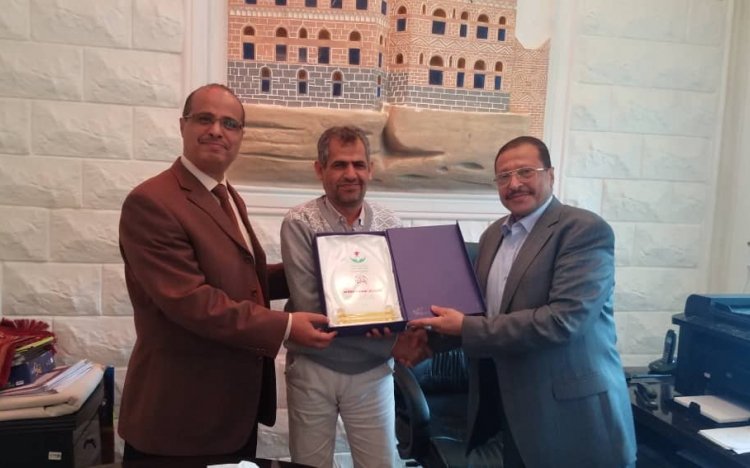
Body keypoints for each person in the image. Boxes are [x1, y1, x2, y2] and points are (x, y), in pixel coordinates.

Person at [117, 83, 336, 460]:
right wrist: (285, 326)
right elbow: (192, 302)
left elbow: (244, 281)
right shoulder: (152, 202)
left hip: (232, 410)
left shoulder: (227, 195)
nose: (217, 130)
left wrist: (322, 268)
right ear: (183, 125)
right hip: (180, 417)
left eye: (230, 123)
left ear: (240, 135)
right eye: (205, 119)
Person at [410, 136, 637, 468]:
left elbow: (563, 321)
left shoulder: (583, 230)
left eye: (525, 172)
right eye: (504, 176)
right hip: (508, 411)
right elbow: (483, 316)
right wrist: (427, 341)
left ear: (550, 174)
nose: (514, 183)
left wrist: (464, 327)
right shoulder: (492, 236)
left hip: (572, 415)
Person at [280, 126, 427, 468]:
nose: (351, 174)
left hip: (373, 374)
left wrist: (410, 328)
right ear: (320, 170)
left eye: (359, 165)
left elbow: (402, 299)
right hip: (314, 368)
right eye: (339, 165)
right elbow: (312, 311)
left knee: (381, 464)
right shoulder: (299, 222)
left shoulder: (390, 223)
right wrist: (392, 344)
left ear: (370, 169)